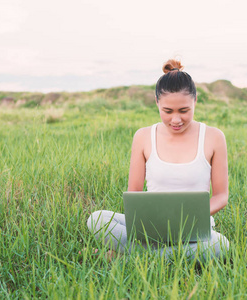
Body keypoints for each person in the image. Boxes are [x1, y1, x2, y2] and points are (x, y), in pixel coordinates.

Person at [86, 59, 229, 261]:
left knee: (220, 245)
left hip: (194, 231)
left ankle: (128, 257)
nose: (176, 120)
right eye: (168, 111)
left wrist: (186, 220)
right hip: (150, 228)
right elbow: (134, 194)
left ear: (195, 101)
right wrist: (150, 225)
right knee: (97, 219)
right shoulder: (143, 136)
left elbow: (221, 196)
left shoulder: (214, 137)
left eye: (184, 111)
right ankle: (159, 255)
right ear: (157, 103)